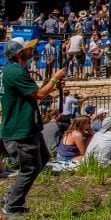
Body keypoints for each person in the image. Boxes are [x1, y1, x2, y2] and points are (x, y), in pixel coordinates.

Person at [1, 38, 64, 216]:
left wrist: (53, 84)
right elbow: (38, 94)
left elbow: (33, 94)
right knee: (29, 168)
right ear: (18, 54)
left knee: (41, 160)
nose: (31, 49)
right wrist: (54, 78)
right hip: (20, 131)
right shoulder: (15, 72)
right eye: (27, 48)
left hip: (28, 128)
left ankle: (11, 199)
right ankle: (11, 207)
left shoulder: (14, 70)